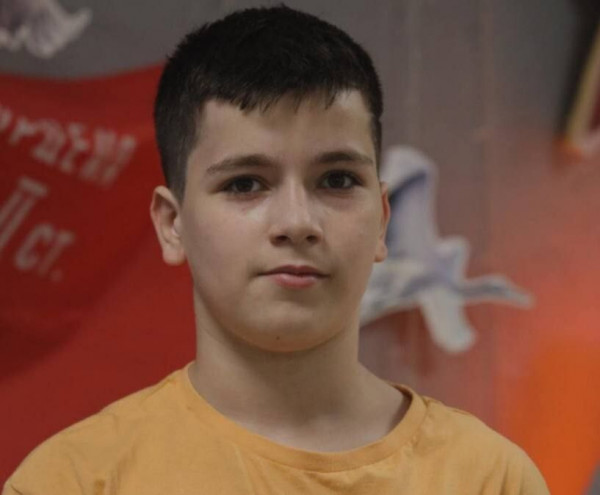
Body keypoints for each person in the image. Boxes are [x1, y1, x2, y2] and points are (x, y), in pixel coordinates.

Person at [3, 6, 550, 494]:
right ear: (172, 225)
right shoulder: (73, 482)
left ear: (383, 220)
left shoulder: (490, 479)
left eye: (337, 180)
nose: (297, 222)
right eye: (245, 184)